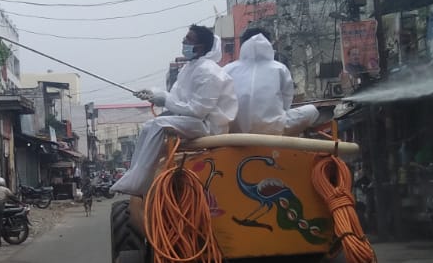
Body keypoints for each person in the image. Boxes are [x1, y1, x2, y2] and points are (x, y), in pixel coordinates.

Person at [111, 24, 238, 197]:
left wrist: (165, 100)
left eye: (189, 39)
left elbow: (198, 110)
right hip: (192, 121)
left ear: (199, 47)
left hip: (208, 126)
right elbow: (176, 97)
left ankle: (139, 180)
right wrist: (153, 94)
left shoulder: (209, 72)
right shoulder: (188, 69)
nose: (184, 41)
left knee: (160, 124)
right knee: (149, 125)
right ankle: (135, 174)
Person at [227, 26, 320, 136]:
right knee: (312, 110)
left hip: (234, 132)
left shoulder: (228, 69)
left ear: (242, 46)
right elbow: (286, 104)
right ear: (268, 45)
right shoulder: (279, 68)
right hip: (273, 130)